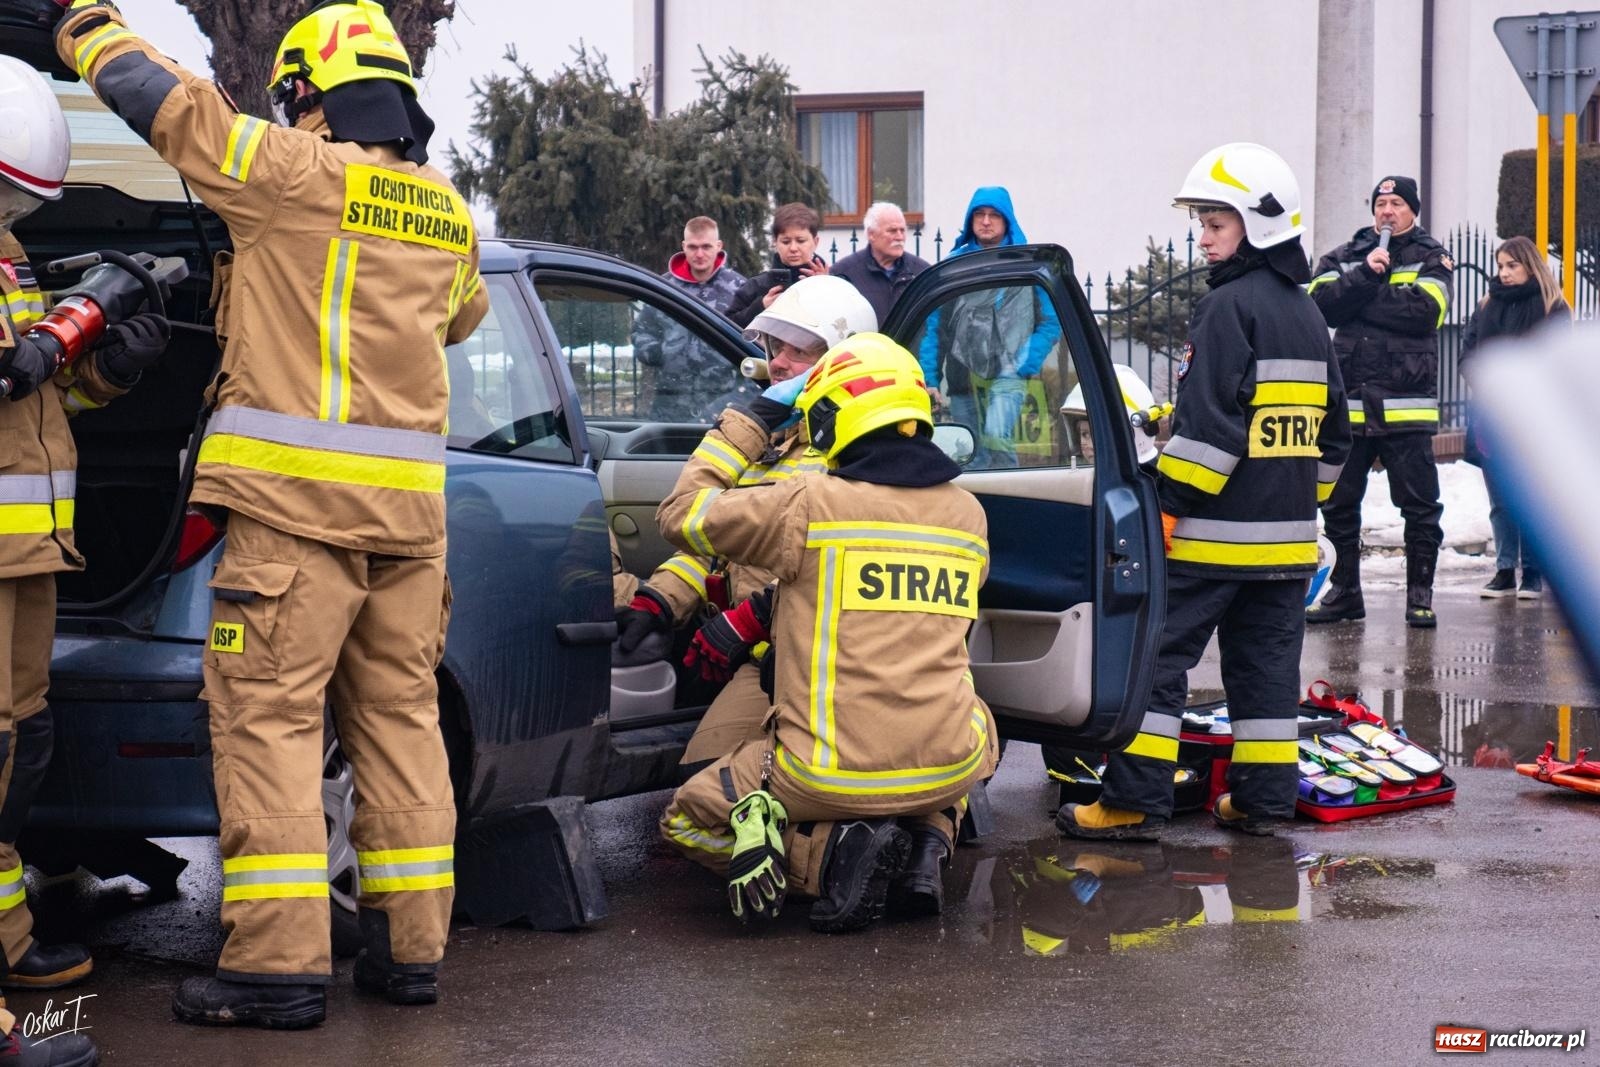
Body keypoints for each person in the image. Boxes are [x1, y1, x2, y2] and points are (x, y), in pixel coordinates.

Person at [52, 0, 489, 1029]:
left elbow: (172, 107)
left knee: (272, 727)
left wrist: (81, 27)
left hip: (297, 520)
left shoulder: (295, 174)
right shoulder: (446, 210)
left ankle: (275, 967)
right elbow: (461, 314)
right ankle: (411, 950)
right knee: (399, 727)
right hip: (409, 528)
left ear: (308, 96)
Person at [655, 334, 997, 932]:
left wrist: (748, 426)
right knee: (978, 720)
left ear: (832, 417)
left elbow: (680, 515)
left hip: (822, 773)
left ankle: (828, 859)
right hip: (949, 766)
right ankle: (929, 841)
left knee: (685, 820)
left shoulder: (806, 501)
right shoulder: (969, 514)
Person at [1058, 142, 1351, 841]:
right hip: (1286, 547)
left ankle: (1132, 801)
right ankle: (1262, 803)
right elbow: (1334, 437)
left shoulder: (1226, 309)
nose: (1203, 236)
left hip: (1211, 542)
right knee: (1266, 680)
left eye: (1215, 223)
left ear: (1256, 225)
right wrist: (1289, 499)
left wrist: (1162, 499)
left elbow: (1213, 437)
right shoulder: (1306, 314)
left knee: (1153, 662)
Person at [0, 53, 175, 1067]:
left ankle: (14, 945)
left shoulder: (12, 265)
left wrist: (102, 365)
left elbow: (40, 403)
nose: (12, 220)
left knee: (20, 748)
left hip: (26, 550)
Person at [614, 276, 875, 759]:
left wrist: (750, 622)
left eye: (799, 350)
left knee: (715, 791)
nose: (777, 361)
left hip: (816, 663)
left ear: (839, 361)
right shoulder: (772, 440)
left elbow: (836, 572)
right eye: (776, 346)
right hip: (757, 655)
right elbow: (718, 543)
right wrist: (661, 600)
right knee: (699, 781)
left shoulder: (849, 451)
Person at [1305, 175, 1453, 629]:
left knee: (1420, 507)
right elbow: (1319, 306)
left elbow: (1425, 314)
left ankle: (1420, 598)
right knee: (1339, 504)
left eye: (1396, 204)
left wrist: (1358, 293)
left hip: (1405, 407)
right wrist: (1367, 274)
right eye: (1381, 203)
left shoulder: (1433, 255)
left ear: (1412, 210)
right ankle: (1346, 593)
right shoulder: (1349, 252)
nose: (1387, 211)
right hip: (1350, 405)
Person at [916, 187, 1060, 467]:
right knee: (967, 453)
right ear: (970, 220)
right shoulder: (955, 266)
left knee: (996, 436)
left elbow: (1051, 323)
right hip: (962, 380)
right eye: (979, 214)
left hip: (1008, 374)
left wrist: (1024, 363)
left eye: (994, 215)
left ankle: (1012, 505)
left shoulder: (1027, 265)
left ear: (1007, 220)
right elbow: (936, 328)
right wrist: (930, 379)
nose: (985, 221)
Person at [1459, 235, 1569, 600]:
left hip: (1536, 416)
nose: (1504, 273)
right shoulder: (1486, 304)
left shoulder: (1554, 307)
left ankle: (1533, 574)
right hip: (1494, 414)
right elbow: (1468, 353)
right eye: (1500, 265)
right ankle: (1504, 570)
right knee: (1501, 497)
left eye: (1512, 265)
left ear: (1530, 264)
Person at [633, 217, 748, 421]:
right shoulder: (663, 288)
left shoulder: (739, 288)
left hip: (723, 403)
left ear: (718, 246)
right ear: (684, 247)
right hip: (670, 403)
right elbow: (641, 333)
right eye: (693, 247)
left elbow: (754, 340)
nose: (700, 254)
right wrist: (661, 353)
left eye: (706, 246)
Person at [726, 202, 828, 329]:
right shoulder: (757, 286)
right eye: (786, 242)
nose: (793, 248)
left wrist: (827, 288)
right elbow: (728, 326)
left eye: (801, 241)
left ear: (815, 241)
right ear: (775, 242)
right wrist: (761, 306)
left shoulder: (835, 283)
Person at [830, 201, 930, 325]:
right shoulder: (845, 273)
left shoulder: (922, 272)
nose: (899, 237)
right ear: (871, 234)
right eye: (892, 231)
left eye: (902, 230)